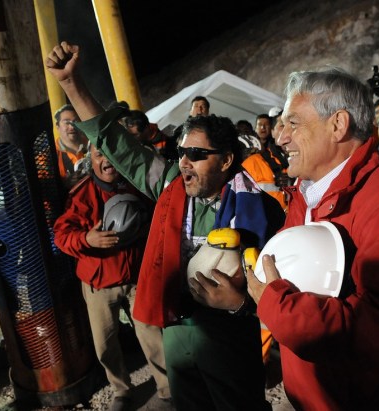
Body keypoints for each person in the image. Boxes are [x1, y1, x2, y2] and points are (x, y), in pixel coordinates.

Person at [45, 41, 285, 411]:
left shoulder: (261, 209)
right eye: (182, 153)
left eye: (197, 155)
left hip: (231, 333)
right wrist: (71, 84)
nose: (185, 162)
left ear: (226, 161)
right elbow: (116, 142)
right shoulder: (172, 186)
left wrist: (239, 309)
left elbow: (281, 288)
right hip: (177, 328)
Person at [246, 68, 379, 410]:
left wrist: (278, 307)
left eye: (293, 123)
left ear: (338, 125)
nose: (281, 137)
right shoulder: (308, 194)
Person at [53, 144, 171, 410]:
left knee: (152, 334)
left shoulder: (136, 186)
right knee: (104, 343)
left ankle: (167, 387)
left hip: (137, 277)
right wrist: (87, 238)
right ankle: (121, 390)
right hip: (98, 281)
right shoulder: (81, 194)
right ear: (91, 160)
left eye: (112, 155)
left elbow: (159, 218)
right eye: (99, 155)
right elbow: (61, 235)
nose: (107, 162)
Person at [242, 112, 291, 210]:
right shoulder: (252, 163)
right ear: (272, 132)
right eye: (282, 125)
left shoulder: (311, 162)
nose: (288, 129)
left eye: (293, 124)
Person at [54, 104, 89, 187]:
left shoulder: (92, 145)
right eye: (67, 122)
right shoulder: (49, 156)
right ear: (57, 126)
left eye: (76, 122)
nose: (72, 127)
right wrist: (65, 184)